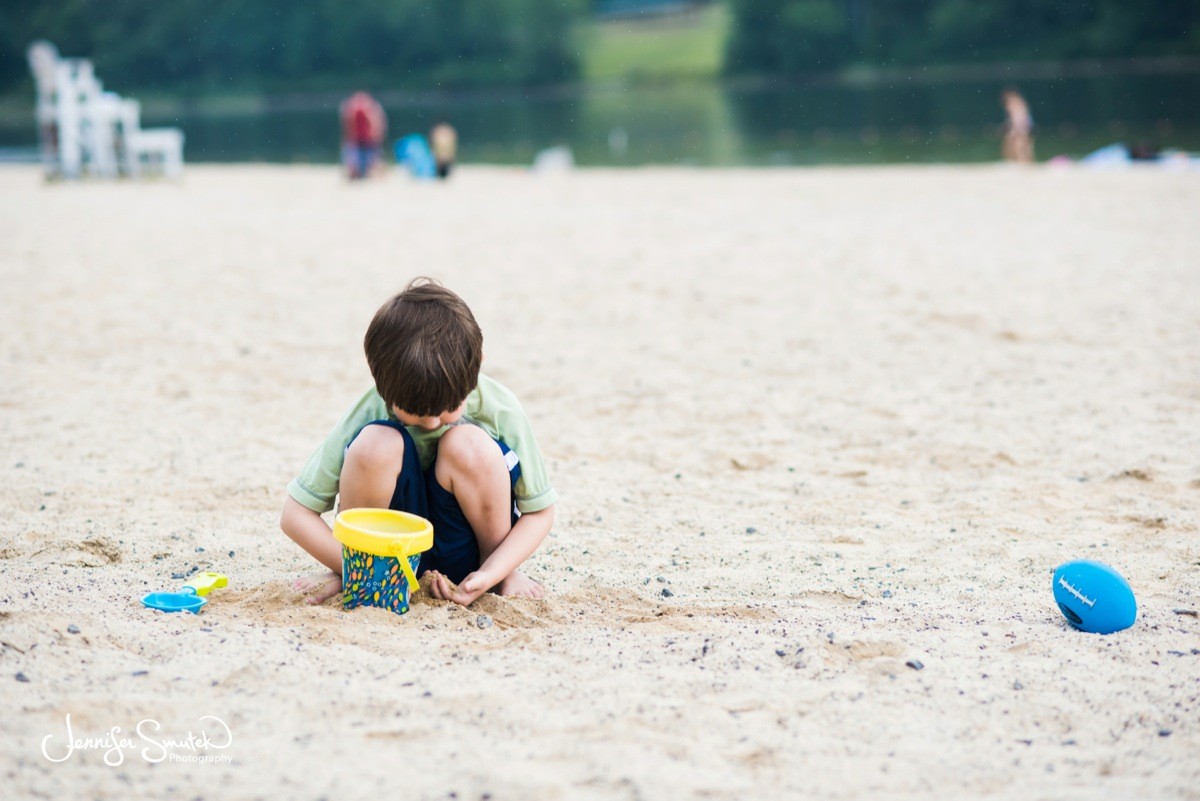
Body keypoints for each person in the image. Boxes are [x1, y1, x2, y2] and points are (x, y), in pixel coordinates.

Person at [281, 278, 557, 607]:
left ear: (477, 366)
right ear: (380, 381)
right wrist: (352, 568)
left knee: (467, 443)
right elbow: (295, 515)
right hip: (385, 558)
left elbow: (540, 512)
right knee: (376, 444)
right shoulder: (371, 408)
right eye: (415, 413)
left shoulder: (500, 408)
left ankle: (500, 575)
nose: (431, 422)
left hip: (469, 560)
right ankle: (364, 566)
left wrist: (494, 572)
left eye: (447, 409)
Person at [340, 91, 387, 180]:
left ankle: (363, 172)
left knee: (365, 163)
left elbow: (348, 126)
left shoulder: (352, 108)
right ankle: (367, 172)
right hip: (364, 139)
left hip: (362, 139)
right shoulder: (371, 107)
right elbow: (377, 124)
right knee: (372, 161)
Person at [1001, 88, 1034, 164]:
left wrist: (1015, 129)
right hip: (1024, 125)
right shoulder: (1020, 102)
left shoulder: (1013, 103)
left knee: (1019, 146)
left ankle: (1020, 162)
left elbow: (1017, 117)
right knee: (1025, 146)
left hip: (1020, 126)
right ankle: (1025, 163)